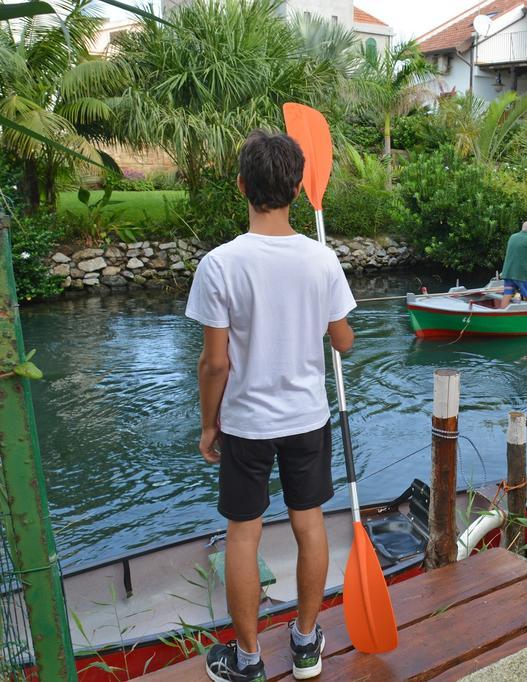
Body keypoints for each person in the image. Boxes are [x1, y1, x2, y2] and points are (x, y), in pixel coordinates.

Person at [186, 130, 355, 682]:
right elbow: (344, 340)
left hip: (246, 423)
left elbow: (215, 364)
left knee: (244, 533)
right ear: (298, 186)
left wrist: (209, 425)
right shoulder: (320, 258)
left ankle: (249, 660)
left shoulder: (219, 264)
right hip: (307, 418)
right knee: (310, 525)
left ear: (241, 186)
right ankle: (306, 645)